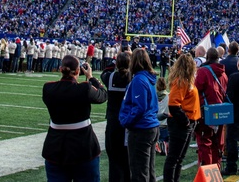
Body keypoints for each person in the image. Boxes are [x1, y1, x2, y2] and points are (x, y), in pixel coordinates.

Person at [42, 53, 108, 182]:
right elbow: (103, 95)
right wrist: (90, 77)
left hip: (55, 147)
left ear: (61, 69)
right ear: (78, 71)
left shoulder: (48, 88)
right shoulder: (84, 88)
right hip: (83, 147)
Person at [120, 47, 160, 182]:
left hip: (141, 128)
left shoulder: (139, 80)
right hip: (150, 126)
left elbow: (139, 107)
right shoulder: (148, 79)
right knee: (148, 169)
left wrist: (126, 121)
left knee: (139, 172)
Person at [163, 52, 200, 182]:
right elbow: (173, 105)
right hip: (181, 123)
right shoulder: (181, 81)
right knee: (174, 158)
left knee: (179, 158)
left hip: (187, 122)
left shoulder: (186, 81)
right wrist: (185, 121)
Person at [194, 46, 227, 168]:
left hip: (206, 111)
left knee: (204, 141)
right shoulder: (223, 73)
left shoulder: (203, 71)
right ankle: (216, 169)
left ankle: (207, 170)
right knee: (217, 142)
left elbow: (196, 89)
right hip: (220, 110)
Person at [102, 51, 132, 182]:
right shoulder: (134, 78)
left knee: (114, 159)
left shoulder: (110, 77)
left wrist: (116, 59)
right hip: (129, 123)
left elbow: (105, 71)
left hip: (113, 123)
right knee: (128, 160)